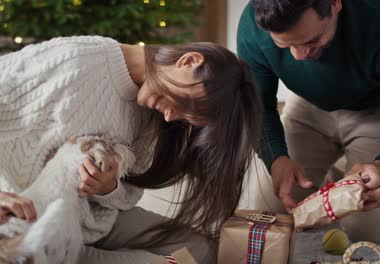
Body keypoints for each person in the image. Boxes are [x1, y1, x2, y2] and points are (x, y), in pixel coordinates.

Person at [0, 36, 263, 263]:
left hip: (95, 221)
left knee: (204, 252)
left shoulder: (152, 115)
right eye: (185, 103)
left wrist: (108, 187)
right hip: (29, 216)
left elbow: (127, 197)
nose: (172, 116)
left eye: (186, 116)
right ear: (189, 61)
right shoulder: (73, 61)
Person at [237, 0, 380, 242]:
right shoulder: (252, 25)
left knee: (365, 230)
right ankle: (336, 173)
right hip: (308, 107)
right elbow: (258, 106)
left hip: (377, 110)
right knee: (269, 215)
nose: (299, 56)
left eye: (312, 41)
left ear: (335, 4)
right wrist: (276, 158)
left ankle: (343, 171)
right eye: (284, 45)